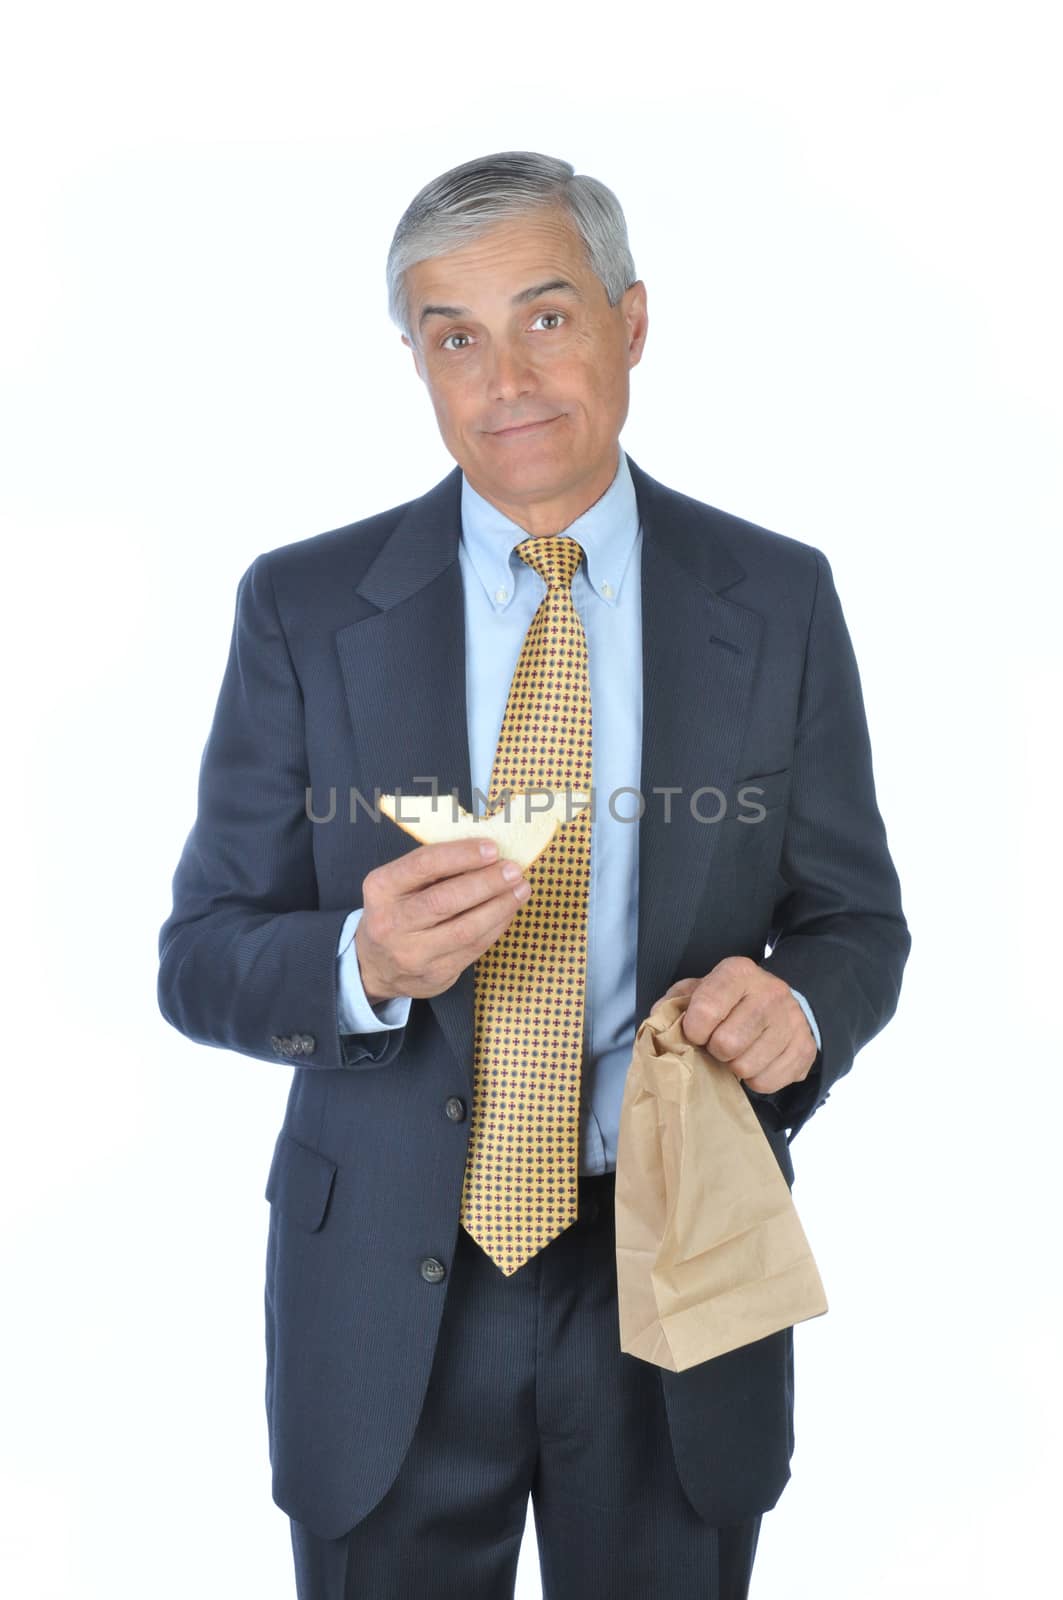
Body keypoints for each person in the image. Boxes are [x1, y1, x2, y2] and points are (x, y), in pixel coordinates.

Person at [157, 150, 910, 1599]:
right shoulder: (305, 610)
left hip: (677, 1266)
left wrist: (800, 1009)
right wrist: (360, 967)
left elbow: (852, 920)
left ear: (632, 323)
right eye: (455, 338)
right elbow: (202, 953)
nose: (506, 378)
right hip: (389, 1285)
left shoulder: (777, 598)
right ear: (417, 364)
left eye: (547, 319)